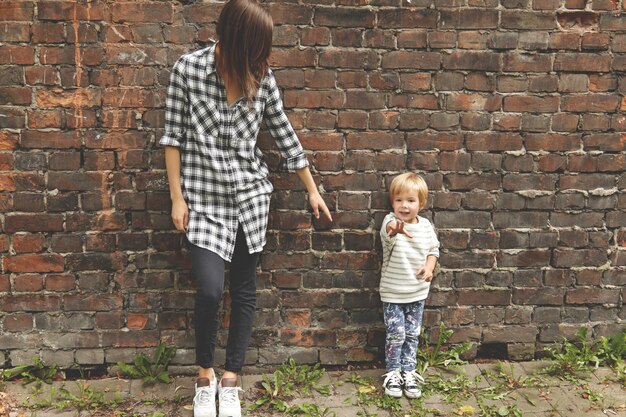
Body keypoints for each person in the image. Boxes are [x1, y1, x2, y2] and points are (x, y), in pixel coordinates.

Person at [160, 1, 332, 416]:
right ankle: (205, 376)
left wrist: (312, 190)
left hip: (250, 199)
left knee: (244, 291)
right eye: (258, 47)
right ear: (239, 40)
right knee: (209, 289)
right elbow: (172, 137)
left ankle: (231, 379)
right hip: (202, 199)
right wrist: (176, 197)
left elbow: (285, 135)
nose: (263, 57)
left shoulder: (262, 78)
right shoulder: (188, 70)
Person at [379, 173, 440, 399]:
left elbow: (433, 250)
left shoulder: (425, 226)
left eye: (410, 200)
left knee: (412, 334)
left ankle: (409, 371)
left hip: (417, 292)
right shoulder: (389, 221)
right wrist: (397, 228)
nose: (404, 205)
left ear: (421, 203)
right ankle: (393, 372)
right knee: (396, 334)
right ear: (392, 202)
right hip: (393, 293)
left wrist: (429, 267)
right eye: (398, 200)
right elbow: (389, 230)